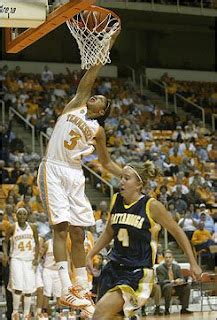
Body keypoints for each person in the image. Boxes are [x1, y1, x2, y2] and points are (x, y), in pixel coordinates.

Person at [37, 28, 122, 316]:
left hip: (75, 174)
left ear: (102, 112)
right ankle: (64, 290)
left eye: (100, 99)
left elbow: (107, 164)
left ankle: (82, 288)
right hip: (54, 168)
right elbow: (93, 70)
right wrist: (107, 43)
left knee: (79, 231)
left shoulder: (98, 131)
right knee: (59, 228)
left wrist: (128, 172)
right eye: (95, 95)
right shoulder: (75, 104)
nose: (96, 96)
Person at [86, 161, 202, 320]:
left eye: (127, 178)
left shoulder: (151, 206)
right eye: (121, 177)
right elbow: (109, 232)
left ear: (139, 184)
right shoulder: (116, 200)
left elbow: (178, 232)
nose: (121, 181)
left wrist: (193, 262)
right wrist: (91, 253)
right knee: (112, 317)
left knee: (99, 314)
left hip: (136, 272)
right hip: (112, 268)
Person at [2, 207, 39, 320]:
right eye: (20, 214)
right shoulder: (13, 227)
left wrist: (36, 257)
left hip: (29, 260)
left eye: (24, 214)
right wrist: (5, 254)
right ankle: (15, 312)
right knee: (17, 286)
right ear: (16, 216)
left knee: (28, 289)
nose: (22, 216)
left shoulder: (32, 227)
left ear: (27, 216)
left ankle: (26, 314)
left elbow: (37, 243)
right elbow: (5, 242)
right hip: (16, 260)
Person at [156, 250, 192, 315]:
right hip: (164, 288)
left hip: (177, 287)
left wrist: (181, 280)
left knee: (187, 286)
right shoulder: (159, 268)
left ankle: (184, 308)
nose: (168, 259)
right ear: (164, 259)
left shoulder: (177, 267)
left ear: (172, 258)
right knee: (168, 286)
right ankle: (167, 309)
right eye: (166, 257)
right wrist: (173, 281)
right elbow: (161, 281)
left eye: (169, 257)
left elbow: (182, 278)